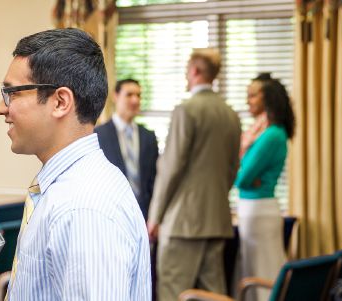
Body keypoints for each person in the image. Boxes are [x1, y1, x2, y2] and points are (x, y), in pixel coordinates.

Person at [0, 28, 151, 300]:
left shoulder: (84, 206)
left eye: (12, 93)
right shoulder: (72, 186)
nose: (1, 107)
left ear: (60, 101)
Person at [147, 48, 241, 301]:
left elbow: (171, 168)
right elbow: (233, 169)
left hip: (182, 224)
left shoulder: (186, 110)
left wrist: (155, 217)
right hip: (217, 221)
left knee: (173, 292)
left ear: (196, 71)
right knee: (213, 295)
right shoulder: (231, 114)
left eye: (187, 71)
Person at [235, 73, 295, 301]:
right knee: (254, 271)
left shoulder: (271, 135)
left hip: (259, 211)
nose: (247, 101)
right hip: (254, 208)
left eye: (252, 95)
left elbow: (242, 178)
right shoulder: (261, 133)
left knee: (262, 274)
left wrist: (244, 175)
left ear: (268, 98)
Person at [95, 78, 159, 219]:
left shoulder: (149, 136)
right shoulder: (98, 135)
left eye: (138, 95)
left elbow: (154, 181)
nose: (135, 100)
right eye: (129, 95)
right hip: (110, 215)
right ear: (115, 96)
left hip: (145, 217)